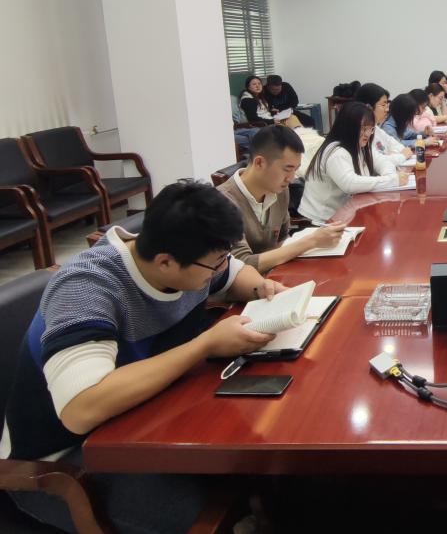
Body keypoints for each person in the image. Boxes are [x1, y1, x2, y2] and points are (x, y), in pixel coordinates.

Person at [3, 182, 285, 533]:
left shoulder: (182, 258)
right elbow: (81, 407)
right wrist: (204, 345)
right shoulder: (86, 288)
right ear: (165, 262)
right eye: (213, 265)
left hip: (145, 421)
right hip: (66, 461)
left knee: (262, 456)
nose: (218, 270)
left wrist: (261, 287)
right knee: (208, 504)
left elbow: (233, 273)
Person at [217, 126, 347, 272]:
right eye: (287, 169)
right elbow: (242, 265)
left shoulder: (280, 190)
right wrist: (311, 241)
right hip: (249, 284)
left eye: (295, 170)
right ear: (259, 163)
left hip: (276, 274)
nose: (291, 178)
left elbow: (283, 240)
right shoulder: (222, 202)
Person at [298, 102, 401, 222]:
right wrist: (391, 180)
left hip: (344, 214)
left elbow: (383, 162)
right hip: (321, 220)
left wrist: (391, 177)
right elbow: (350, 184)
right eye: (363, 128)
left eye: (371, 129)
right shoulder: (336, 152)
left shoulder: (359, 146)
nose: (367, 134)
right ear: (348, 126)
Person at [355, 83, 412, 165]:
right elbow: (376, 162)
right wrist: (401, 156)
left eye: (387, 104)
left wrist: (391, 156)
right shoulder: (359, 133)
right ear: (368, 107)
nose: (387, 109)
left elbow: (399, 146)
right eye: (383, 105)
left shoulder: (376, 128)